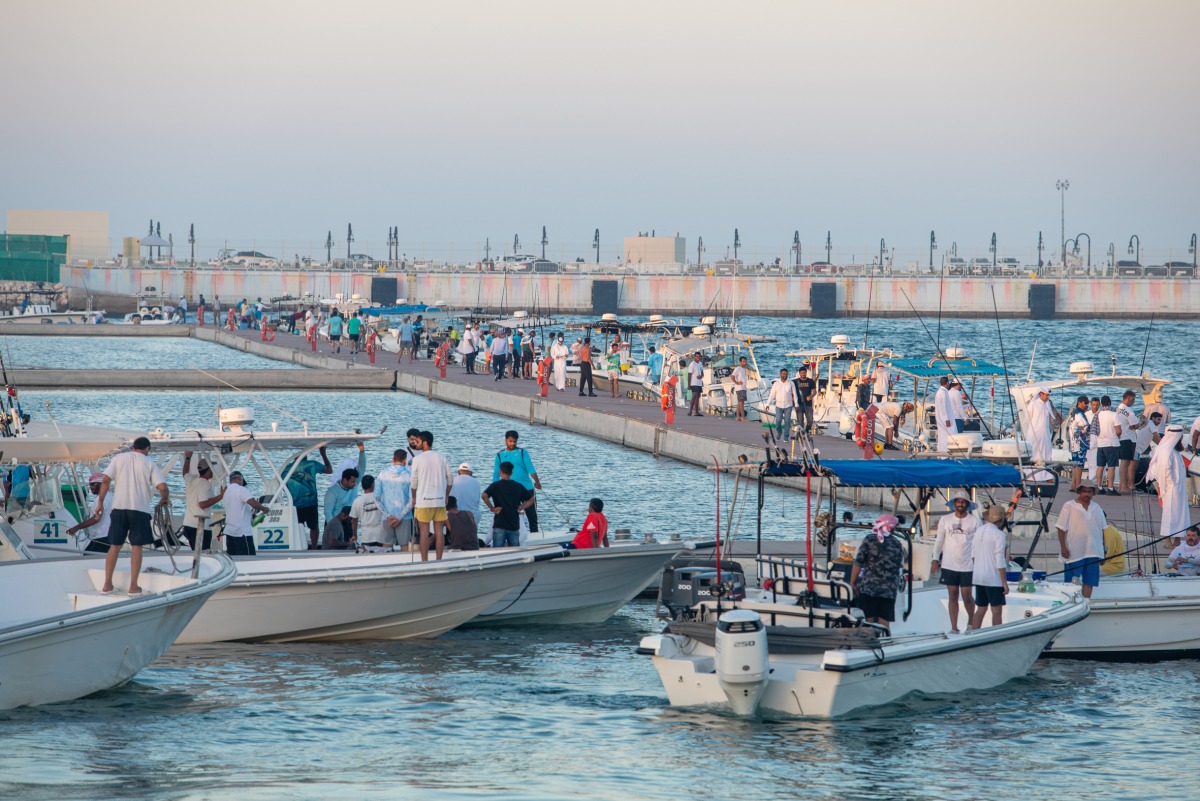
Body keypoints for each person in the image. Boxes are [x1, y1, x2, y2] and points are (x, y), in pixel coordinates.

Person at [94, 436, 168, 594]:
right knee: (137, 547)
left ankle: (107, 584)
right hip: (139, 510)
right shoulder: (149, 463)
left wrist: (100, 502)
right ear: (147, 449)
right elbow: (162, 486)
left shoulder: (120, 458)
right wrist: (164, 498)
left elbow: (106, 479)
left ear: (133, 447)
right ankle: (133, 586)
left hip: (119, 508)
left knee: (115, 546)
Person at [930, 491, 980, 633]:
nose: (960, 504)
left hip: (968, 564)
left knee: (966, 595)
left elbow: (979, 542)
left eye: (963, 502)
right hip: (948, 564)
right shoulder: (945, 519)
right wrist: (935, 559)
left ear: (968, 504)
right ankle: (954, 627)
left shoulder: (975, 521)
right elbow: (939, 540)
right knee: (952, 594)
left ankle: (971, 624)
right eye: (958, 501)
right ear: (953, 504)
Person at [850, 514, 906, 633]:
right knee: (885, 623)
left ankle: (867, 644)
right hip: (889, 590)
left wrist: (853, 583)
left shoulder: (870, 539)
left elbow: (858, 563)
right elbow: (900, 564)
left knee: (867, 621)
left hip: (869, 588)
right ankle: (887, 644)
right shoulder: (897, 543)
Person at [1056, 478, 1106, 598]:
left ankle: (1086, 603)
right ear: (1079, 492)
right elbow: (1060, 528)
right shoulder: (1068, 506)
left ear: (1093, 493)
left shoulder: (1097, 508)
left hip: (1093, 552)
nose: (1086, 494)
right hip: (1074, 552)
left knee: (1090, 581)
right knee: (1070, 583)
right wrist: (1063, 547)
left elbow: (1103, 531)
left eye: (1089, 492)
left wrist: (1103, 552)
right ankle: (1070, 604)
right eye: (1084, 491)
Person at [409, 430, 453, 561]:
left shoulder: (417, 459)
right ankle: (439, 560)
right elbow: (450, 479)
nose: (415, 443)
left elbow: (414, 481)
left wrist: (413, 497)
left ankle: (425, 561)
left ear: (425, 442)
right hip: (439, 500)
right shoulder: (442, 457)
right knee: (439, 531)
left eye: (418, 441)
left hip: (424, 501)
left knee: (424, 531)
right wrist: (446, 495)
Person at [1147, 424, 1190, 547]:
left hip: (1178, 488)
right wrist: (1172, 484)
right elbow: (1165, 469)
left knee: (1180, 514)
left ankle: (1177, 539)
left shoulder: (1173, 450)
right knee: (1170, 514)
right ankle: (1167, 540)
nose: (1181, 440)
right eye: (1180, 438)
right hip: (1171, 488)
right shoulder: (1166, 450)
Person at [969, 504, 1010, 630]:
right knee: (996, 610)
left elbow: (973, 556)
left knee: (981, 608)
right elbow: (1000, 560)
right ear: (1001, 520)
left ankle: (973, 635)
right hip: (993, 578)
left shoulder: (978, 531)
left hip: (979, 577)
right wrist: (1004, 582)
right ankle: (996, 635)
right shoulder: (999, 535)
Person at [493, 430, 541, 532]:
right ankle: (514, 536)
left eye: (514, 441)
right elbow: (496, 474)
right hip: (509, 490)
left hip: (526, 488)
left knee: (532, 516)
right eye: (510, 441)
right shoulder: (499, 455)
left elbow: (530, 468)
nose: (512, 444)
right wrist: (495, 489)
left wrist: (537, 481)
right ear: (505, 440)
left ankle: (535, 535)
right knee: (511, 515)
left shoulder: (523, 452)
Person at [483, 461, 534, 547]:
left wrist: (492, 508)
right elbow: (531, 499)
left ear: (500, 472)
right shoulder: (518, 486)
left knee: (497, 552)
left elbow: (484, 496)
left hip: (499, 523)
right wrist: (521, 507)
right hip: (513, 524)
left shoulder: (495, 485)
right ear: (511, 473)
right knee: (514, 551)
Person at [221, 471, 270, 556]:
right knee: (248, 558)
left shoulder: (226, 492)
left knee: (234, 558)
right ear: (239, 478)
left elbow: (237, 509)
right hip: (241, 533)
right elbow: (253, 503)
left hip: (230, 531)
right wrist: (264, 508)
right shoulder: (241, 489)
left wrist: (253, 517)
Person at [65, 472, 115, 554]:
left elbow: (96, 518)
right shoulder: (108, 496)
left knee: (87, 556)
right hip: (106, 536)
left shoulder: (102, 499)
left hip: (102, 536)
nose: (90, 487)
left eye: (92, 484)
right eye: (89, 484)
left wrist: (76, 527)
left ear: (100, 484)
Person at [181, 451, 221, 551]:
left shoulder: (191, 479)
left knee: (195, 552)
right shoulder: (205, 484)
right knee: (202, 554)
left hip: (188, 524)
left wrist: (188, 458)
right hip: (199, 527)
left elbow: (185, 472)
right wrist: (221, 496)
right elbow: (202, 504)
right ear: (208, 470)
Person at [376, 448, 415, 549]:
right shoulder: (409, 475)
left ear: (393, 460)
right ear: (405, 460)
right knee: (405, 546)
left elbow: (376, 498)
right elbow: (412, 501)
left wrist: (388, 516)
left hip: (387, 517)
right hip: (404, 516)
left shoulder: (382, 474)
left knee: (386, 546)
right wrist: (399, 517)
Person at [1116, 390, 1145, 494]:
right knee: (1125, 462)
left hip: (1121, 438)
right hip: (1128, 438)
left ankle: (1121, 485)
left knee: (1123, 462)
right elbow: (1135, 425)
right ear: (1127, 398)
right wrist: (1142, 422)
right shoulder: (1129, 411)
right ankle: (1124, 486)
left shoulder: (1118, 408)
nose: (1133, 402)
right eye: (1132, 400)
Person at [349, 475, 387, 547]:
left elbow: (354, 521)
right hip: (381, 535)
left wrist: (355, 535)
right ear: (373, 485)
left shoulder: (357, 501)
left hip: (366, 536)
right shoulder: (381, 498)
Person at [1095, 396, 1122, 494]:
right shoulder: (1114, 415)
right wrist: (1118, 436)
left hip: (1100, 443)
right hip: (1111, 443)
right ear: (1110, 404)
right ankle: (1110, 488)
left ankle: (1099, 487)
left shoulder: (1097, 415)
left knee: (1100, 466)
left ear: (1101, 404)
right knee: (1111, 466)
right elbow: (1118, 430)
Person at [323, 467, 361, 533]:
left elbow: (362, 466)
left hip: (348, 523)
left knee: (349, 543)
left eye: (356, 481)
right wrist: (333, 527)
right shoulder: (332, 492)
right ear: (345, 480)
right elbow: (327, 511)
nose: (355, 484)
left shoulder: (354, 487)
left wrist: (362, 455)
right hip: (334, 522)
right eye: (352, 481)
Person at [1067, 394, 1092, 491]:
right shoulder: (1079, 414)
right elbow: (1085, 426)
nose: (1087, 405)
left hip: (1073, 443)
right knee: (1079, 465)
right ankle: (1078, 485)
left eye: (1087, 403)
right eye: (1085, 403)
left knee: (1075, 464)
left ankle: (1073, 485)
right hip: (1080, 443)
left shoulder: (1074, 413)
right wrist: (1086, 431)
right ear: (1079, 403)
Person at [1025, 386, 1055, 464]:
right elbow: (1028, 419)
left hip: (1045, 433)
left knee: (1046, 449)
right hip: (1035, 432)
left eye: (1049, 395)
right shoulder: (1033, 404)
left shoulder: (1047, 404)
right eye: (1046, 395)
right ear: (1041, 394)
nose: (1048, 397)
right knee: (1034, 449)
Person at [767, 368, 797, 441]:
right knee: (778, 421)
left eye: (786, 374)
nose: (784, 375)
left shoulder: (791, 383)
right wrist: (768, 404)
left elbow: (795, 394)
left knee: (787, 422)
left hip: (788, 406)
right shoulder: (776, 383)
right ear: (780, 374)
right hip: (779, 406)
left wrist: (796, 404)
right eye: (783, 374)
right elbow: (772, 394)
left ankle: (786, 437)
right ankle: (779, 432)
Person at [792, 366, 816, 436]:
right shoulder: (795, 381)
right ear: (799, 373)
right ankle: (802, 435)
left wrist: (811, 396)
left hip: (808, 404)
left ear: (806, 373)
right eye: (801, 373)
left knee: (810, 421)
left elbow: (814, 392)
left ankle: (806, 431)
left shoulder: (810, 381)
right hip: (799, 404)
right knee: (800, 422)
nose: (803, 374)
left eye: (804, 373)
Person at [934, 376, 954, 452]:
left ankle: (942, 452)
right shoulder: (942, 393)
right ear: (947, 383)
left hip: (940, 418)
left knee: (942, 436)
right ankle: (944, 453)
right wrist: (946, 419)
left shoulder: (940, 392)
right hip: (944, 419)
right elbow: (943, 407)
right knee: (946, 436)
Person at [731, 355, 748, 422]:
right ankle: (742, 417)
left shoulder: (743, 369)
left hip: (743, 388)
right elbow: (732, 376)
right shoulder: (738, 368)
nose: (745, 363)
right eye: (743, 361)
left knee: (739, 402)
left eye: (745, 362)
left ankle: (738, 416)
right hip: (740, 388)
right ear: (740, 362)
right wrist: (736, 382)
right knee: (741, 402)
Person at [687, 351, 704, 416]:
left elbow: (702, 373)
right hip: (693, 383)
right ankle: (690, 411)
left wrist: (701, 376)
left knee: (698, 397)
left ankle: (696, 412)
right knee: (694, 396)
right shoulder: (692, 364)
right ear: (694, 357)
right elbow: (689, 374)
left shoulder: (700, 364)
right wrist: (689, 385)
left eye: (699, 356)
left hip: (699, 383)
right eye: (697, 356)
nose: (698, 358)